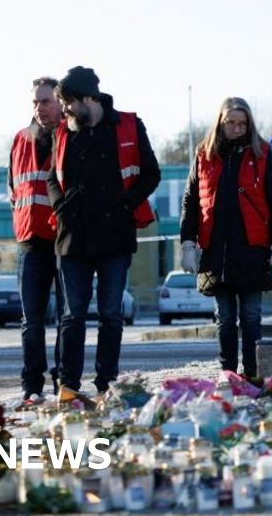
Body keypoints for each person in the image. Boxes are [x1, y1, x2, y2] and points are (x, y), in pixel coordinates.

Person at [47, 66, 160, 394]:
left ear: (87, 98)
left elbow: (151, 174)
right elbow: (52, 177)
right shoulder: (63, 132)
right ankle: (68, 387)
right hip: (73, 239)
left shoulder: (129, 125)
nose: (64, 109)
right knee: (72, 315)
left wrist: (126, 204)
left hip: (115, 236)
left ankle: (106, 384)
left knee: (111, 314)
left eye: (67, 101)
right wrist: (60, 207)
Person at [179, 97, 272, 377]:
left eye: (243, 123)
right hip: (217, 249)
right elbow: (191, 200)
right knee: (225, 318)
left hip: (252, 248)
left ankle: (252, 373)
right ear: (221, 122)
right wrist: (187, 243)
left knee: (251, 316)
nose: (237, 128)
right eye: (232, 122)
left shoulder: (263, 153)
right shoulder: (204, 154)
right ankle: (227, 373)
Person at [9, 76, 66, 401]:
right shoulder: (20, 140)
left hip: (63, 243)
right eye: (35, 102)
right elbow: (13, 189)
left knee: (65, 319)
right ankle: (32, 387)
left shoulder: (70, 137)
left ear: (59, 103)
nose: (39, 108)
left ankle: (63, 383)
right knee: (31, 321)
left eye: (45, 101)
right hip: (30, 242)